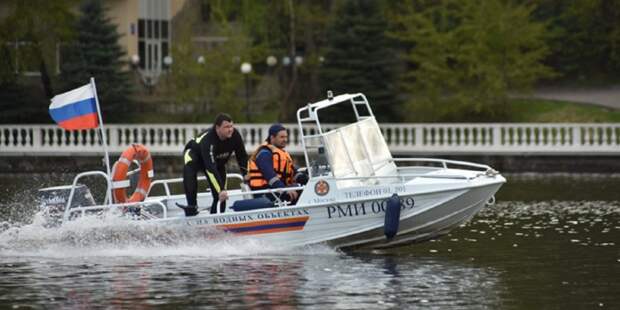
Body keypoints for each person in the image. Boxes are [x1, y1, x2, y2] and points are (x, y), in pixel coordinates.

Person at [181, 113, 248, 216]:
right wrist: (221, 189)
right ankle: (192, 207)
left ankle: (217, 220)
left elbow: (242, 156)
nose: (230, 129)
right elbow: (210, 166)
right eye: (226, 127)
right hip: (195, 156)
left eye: (231, 126)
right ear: (217, 128)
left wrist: (245, 174)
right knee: (191, 172)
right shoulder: (208, 140)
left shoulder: (235, 136)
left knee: (221, 197)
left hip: (217, 162)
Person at [247, 123, 300, 204]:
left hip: (275, 190)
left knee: (303, 188)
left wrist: (304, 177)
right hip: (264, 192)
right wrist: (285, 190)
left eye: (286, 137)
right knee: (297, 194)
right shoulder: (264, 154)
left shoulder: (282, 154)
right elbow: (271, 177)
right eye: (282, 137)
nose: (285, 139)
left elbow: (294, 172)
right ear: (272, 138)